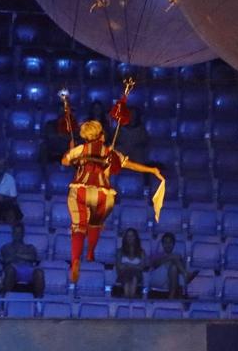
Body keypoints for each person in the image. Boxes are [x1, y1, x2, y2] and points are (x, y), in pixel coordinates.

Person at [53, 80, 165, 282]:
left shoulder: (81, 149)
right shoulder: (109, 151)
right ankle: (90, 253)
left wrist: (70, 153)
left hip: (79, 191)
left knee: (78, 227)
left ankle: (76, 259)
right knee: (95, 223)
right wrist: (151, 169)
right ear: (100, 134)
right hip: (103, 194)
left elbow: (63, 161)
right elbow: (130, 164)